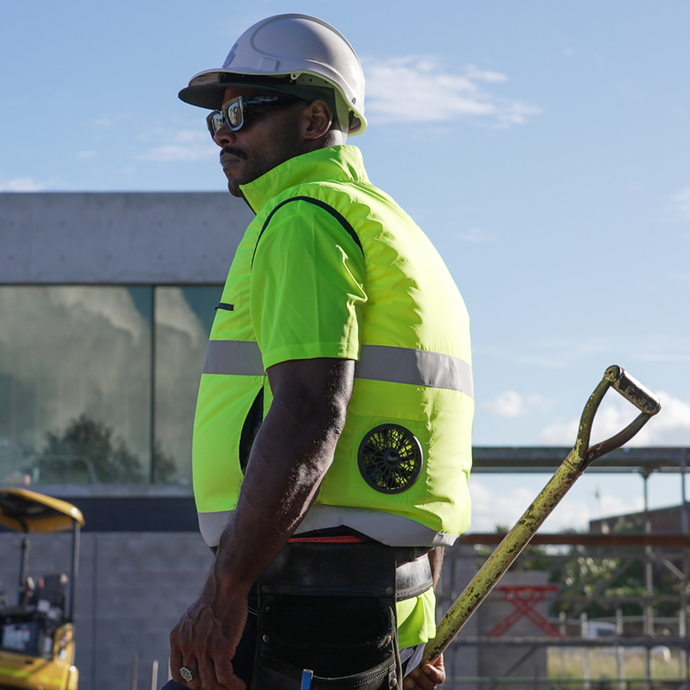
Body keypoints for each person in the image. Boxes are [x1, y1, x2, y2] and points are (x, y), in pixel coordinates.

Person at [166, 13, 474, 690]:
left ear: (313, 120)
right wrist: (421, 629)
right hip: (380, 606)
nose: (224, 132)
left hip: (304, 606)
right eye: (216, 118)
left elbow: (308, 412)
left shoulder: (304, 217)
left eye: (242, 110)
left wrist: (225, 592)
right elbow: (423, 453)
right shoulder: (399, 233)